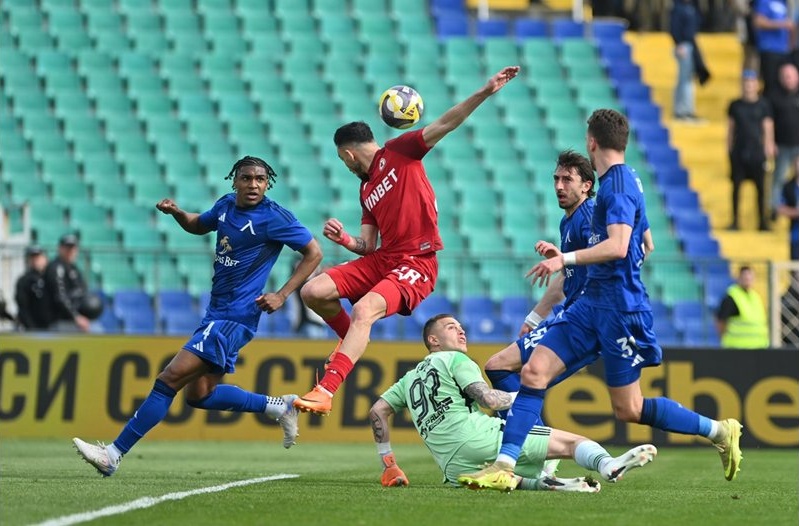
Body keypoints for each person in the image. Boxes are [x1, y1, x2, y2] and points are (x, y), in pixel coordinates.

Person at [458, 109, 743, 492]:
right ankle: (505, 466)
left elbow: (621, 244)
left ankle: (719, 430)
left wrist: (566, 259)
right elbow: (646, 241)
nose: (559, 184)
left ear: (592, 142)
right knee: (532, 373)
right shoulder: (619, 183)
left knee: (630, 409)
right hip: (590, 304)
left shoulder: (618, 185)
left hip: (620, 310)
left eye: (566, 178)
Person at [72, 156, 323, 476]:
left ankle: (113, 453)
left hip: (236, 317)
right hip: (216, 313)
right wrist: (178, 214)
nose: (254, 185)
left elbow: (314, 253)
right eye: (247, 178)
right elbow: (198, 225)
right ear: (235, 181)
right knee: (200, 396)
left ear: (267, 183)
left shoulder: (274, 218)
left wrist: (283, 294)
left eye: (260, 179)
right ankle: (278, 406)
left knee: (167, 380)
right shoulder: (225, 205)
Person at [293, 66, 520, 415]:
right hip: (383, 258)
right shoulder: (365, 188)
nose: (345, 166)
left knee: (366, 309)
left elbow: (446, 123)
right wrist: (345, 240)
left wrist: (485, 91)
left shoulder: (400, 151)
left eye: (343, 159)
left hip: (417, 261)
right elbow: (366, 245)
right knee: (312, 292)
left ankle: (326, 389)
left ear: (349, 154)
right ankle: (347, 341)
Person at [371, 314, 657, 491]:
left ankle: (554, 485)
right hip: (476, 438)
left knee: (507, 478)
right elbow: (486, 397)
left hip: (450, 466)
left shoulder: (408, 379)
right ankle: (608, 465)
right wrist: (527, 394)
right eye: (451, 327)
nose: (461, 331)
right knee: (572, 443)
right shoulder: (455, 359)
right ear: (433, 340)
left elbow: (377, 412)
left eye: (461, 327)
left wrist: (389, 463)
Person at [727, 69, 775, 231]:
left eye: (751, 83)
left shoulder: (763, 105)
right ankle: (735, 221)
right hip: (740, 151)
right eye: (745, 83)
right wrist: (729, 149)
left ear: (756, 85)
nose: (748, 86)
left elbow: (767, 128)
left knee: (761, 190)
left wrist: (768, 147)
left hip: (757, 153)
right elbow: (731, 129)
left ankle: (762, 221)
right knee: (736, 188)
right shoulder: (735, 105)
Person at [767, 63, 799, 221]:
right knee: (778, 177)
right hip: (783, 145)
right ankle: (773, 209)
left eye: (791, 76)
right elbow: (769, 122)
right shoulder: (774, 97)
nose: (788, 80)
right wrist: (770, 142)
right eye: (785, 76)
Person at [44, 233, 90, 332]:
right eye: (67, 248)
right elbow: (60, 296)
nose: (70, 251)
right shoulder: (56, 267)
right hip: (61, 321)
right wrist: (76, 317)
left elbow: (82, 290)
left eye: (73, 248)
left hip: (74, 320)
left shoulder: (74, 269)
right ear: (60, 248)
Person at [715, 265, 770, 348]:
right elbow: (721, 321)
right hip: (737, 347)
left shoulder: (756, 296)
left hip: (759, 346)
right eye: (745, 277)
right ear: (739, 278)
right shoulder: (732, 297)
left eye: (750, 277)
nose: (747, 279)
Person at [670, 0, 703, 120]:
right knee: (685, 80)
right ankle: (683, 110)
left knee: (686, 79)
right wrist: (678, 43)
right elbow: (674, 28)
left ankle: (683, 109)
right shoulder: (678, 8)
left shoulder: (692, 7)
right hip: (684, 46)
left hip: (690, 44)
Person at [753, 0, 794, 96]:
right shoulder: (764, 2)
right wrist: (781, 24)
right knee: (770, 83)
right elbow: (758, 21)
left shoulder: (783, 3)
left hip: (783, 50)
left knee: (780, 84)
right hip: (769, 49)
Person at [14, 245, 52, 331]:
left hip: (52, 326)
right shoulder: (23, 281)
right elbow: (23, 307)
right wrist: (31, 328)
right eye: (32, 257)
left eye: (38, 257)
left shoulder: (51, 277)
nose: (35, 260)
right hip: (32, 328)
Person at [777, 156, 799, 259]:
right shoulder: (788, 186)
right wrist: (795, 212)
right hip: (795, 235)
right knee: (795, 269)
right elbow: (780, 208)